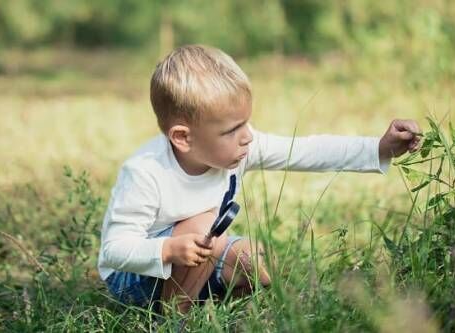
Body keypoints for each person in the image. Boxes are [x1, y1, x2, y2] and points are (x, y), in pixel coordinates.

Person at [97, 44, 421, 313]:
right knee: (203, 228)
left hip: (196, 257)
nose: (247, 137)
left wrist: (380, 148)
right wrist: (167, 250)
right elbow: (115, 249)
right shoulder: (145, 172)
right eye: (231, 130)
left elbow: (308, 151)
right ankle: (173, 319)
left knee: (254, 260)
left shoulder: (240, 148)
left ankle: (216, 304)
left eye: (246, 123)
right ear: (183, 138)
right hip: (135, 276)